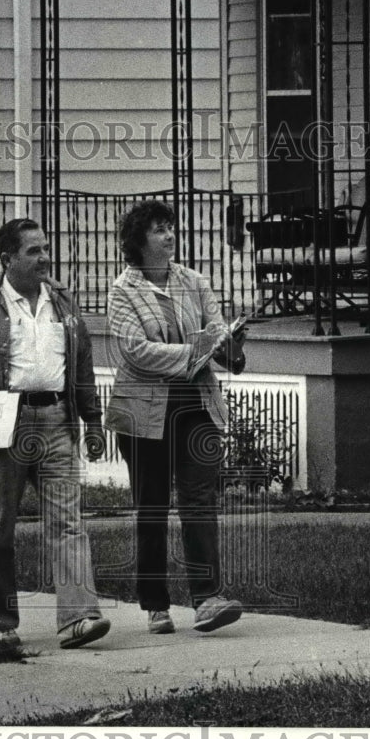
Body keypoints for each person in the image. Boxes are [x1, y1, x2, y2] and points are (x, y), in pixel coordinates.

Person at [0, 217, 111, 649]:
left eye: (45, 248)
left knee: (69, 523)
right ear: (8, 259)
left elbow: (81, 365)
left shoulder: (61, 300)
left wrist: (92, 422)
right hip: (5, 423)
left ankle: (80, 617)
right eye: (34, 251)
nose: (45, 257)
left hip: (58, 418)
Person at [104, 200, 247, 635]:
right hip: (143, 411)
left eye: (171, 228)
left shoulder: (195, 281)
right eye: (159, 230)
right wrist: (196, 351)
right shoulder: (121, 291)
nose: (169, 236)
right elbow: (136, 351)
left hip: (195, 407)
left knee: (200, 501)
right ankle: (155, 605)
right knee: (151, 507)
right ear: (138, 241)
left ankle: (207, 599)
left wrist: (226, 345)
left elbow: (216, 327)